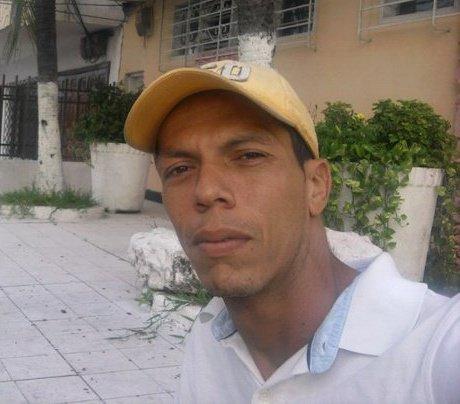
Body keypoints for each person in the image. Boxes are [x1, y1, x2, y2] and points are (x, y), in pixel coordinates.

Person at [124, 60, 460, 403]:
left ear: (316, 186)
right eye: (180, 169)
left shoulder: (435, 350)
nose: (206, 191)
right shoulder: (210, 337)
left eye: (248, 156)